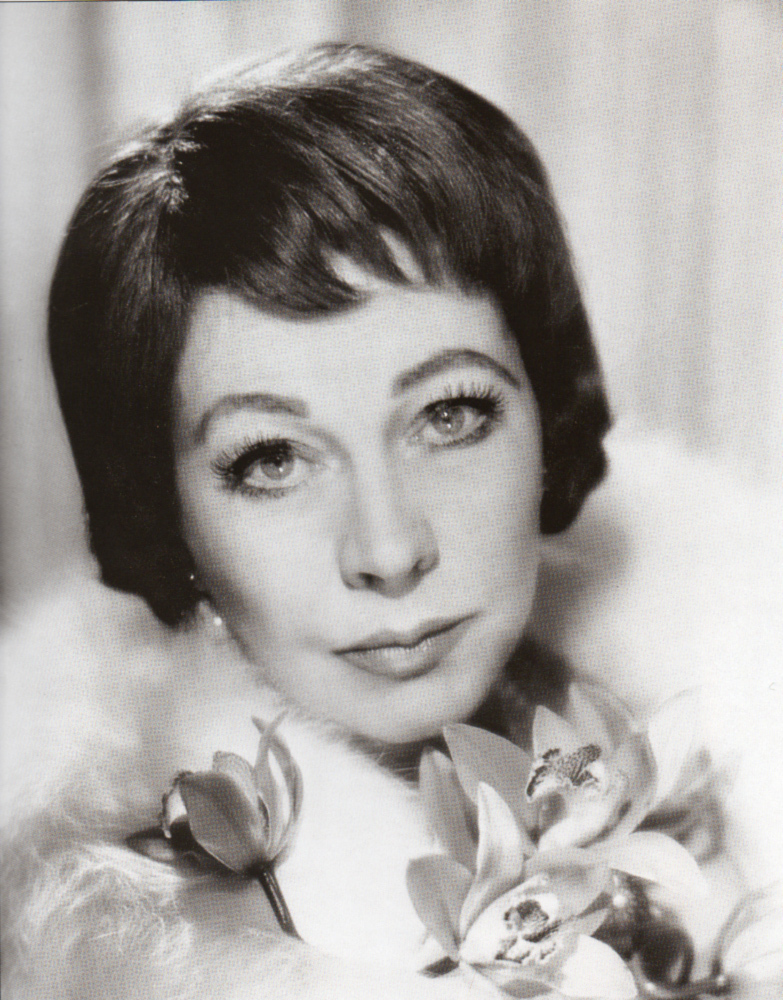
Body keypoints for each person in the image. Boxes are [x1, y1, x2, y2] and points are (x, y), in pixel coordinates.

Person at [2, 42, 780, 1000]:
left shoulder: (727, 757)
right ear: (164, 515)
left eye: (448, 415)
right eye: (271, 459)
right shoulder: (126, 960)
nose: (389, 549)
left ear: (546, 416)